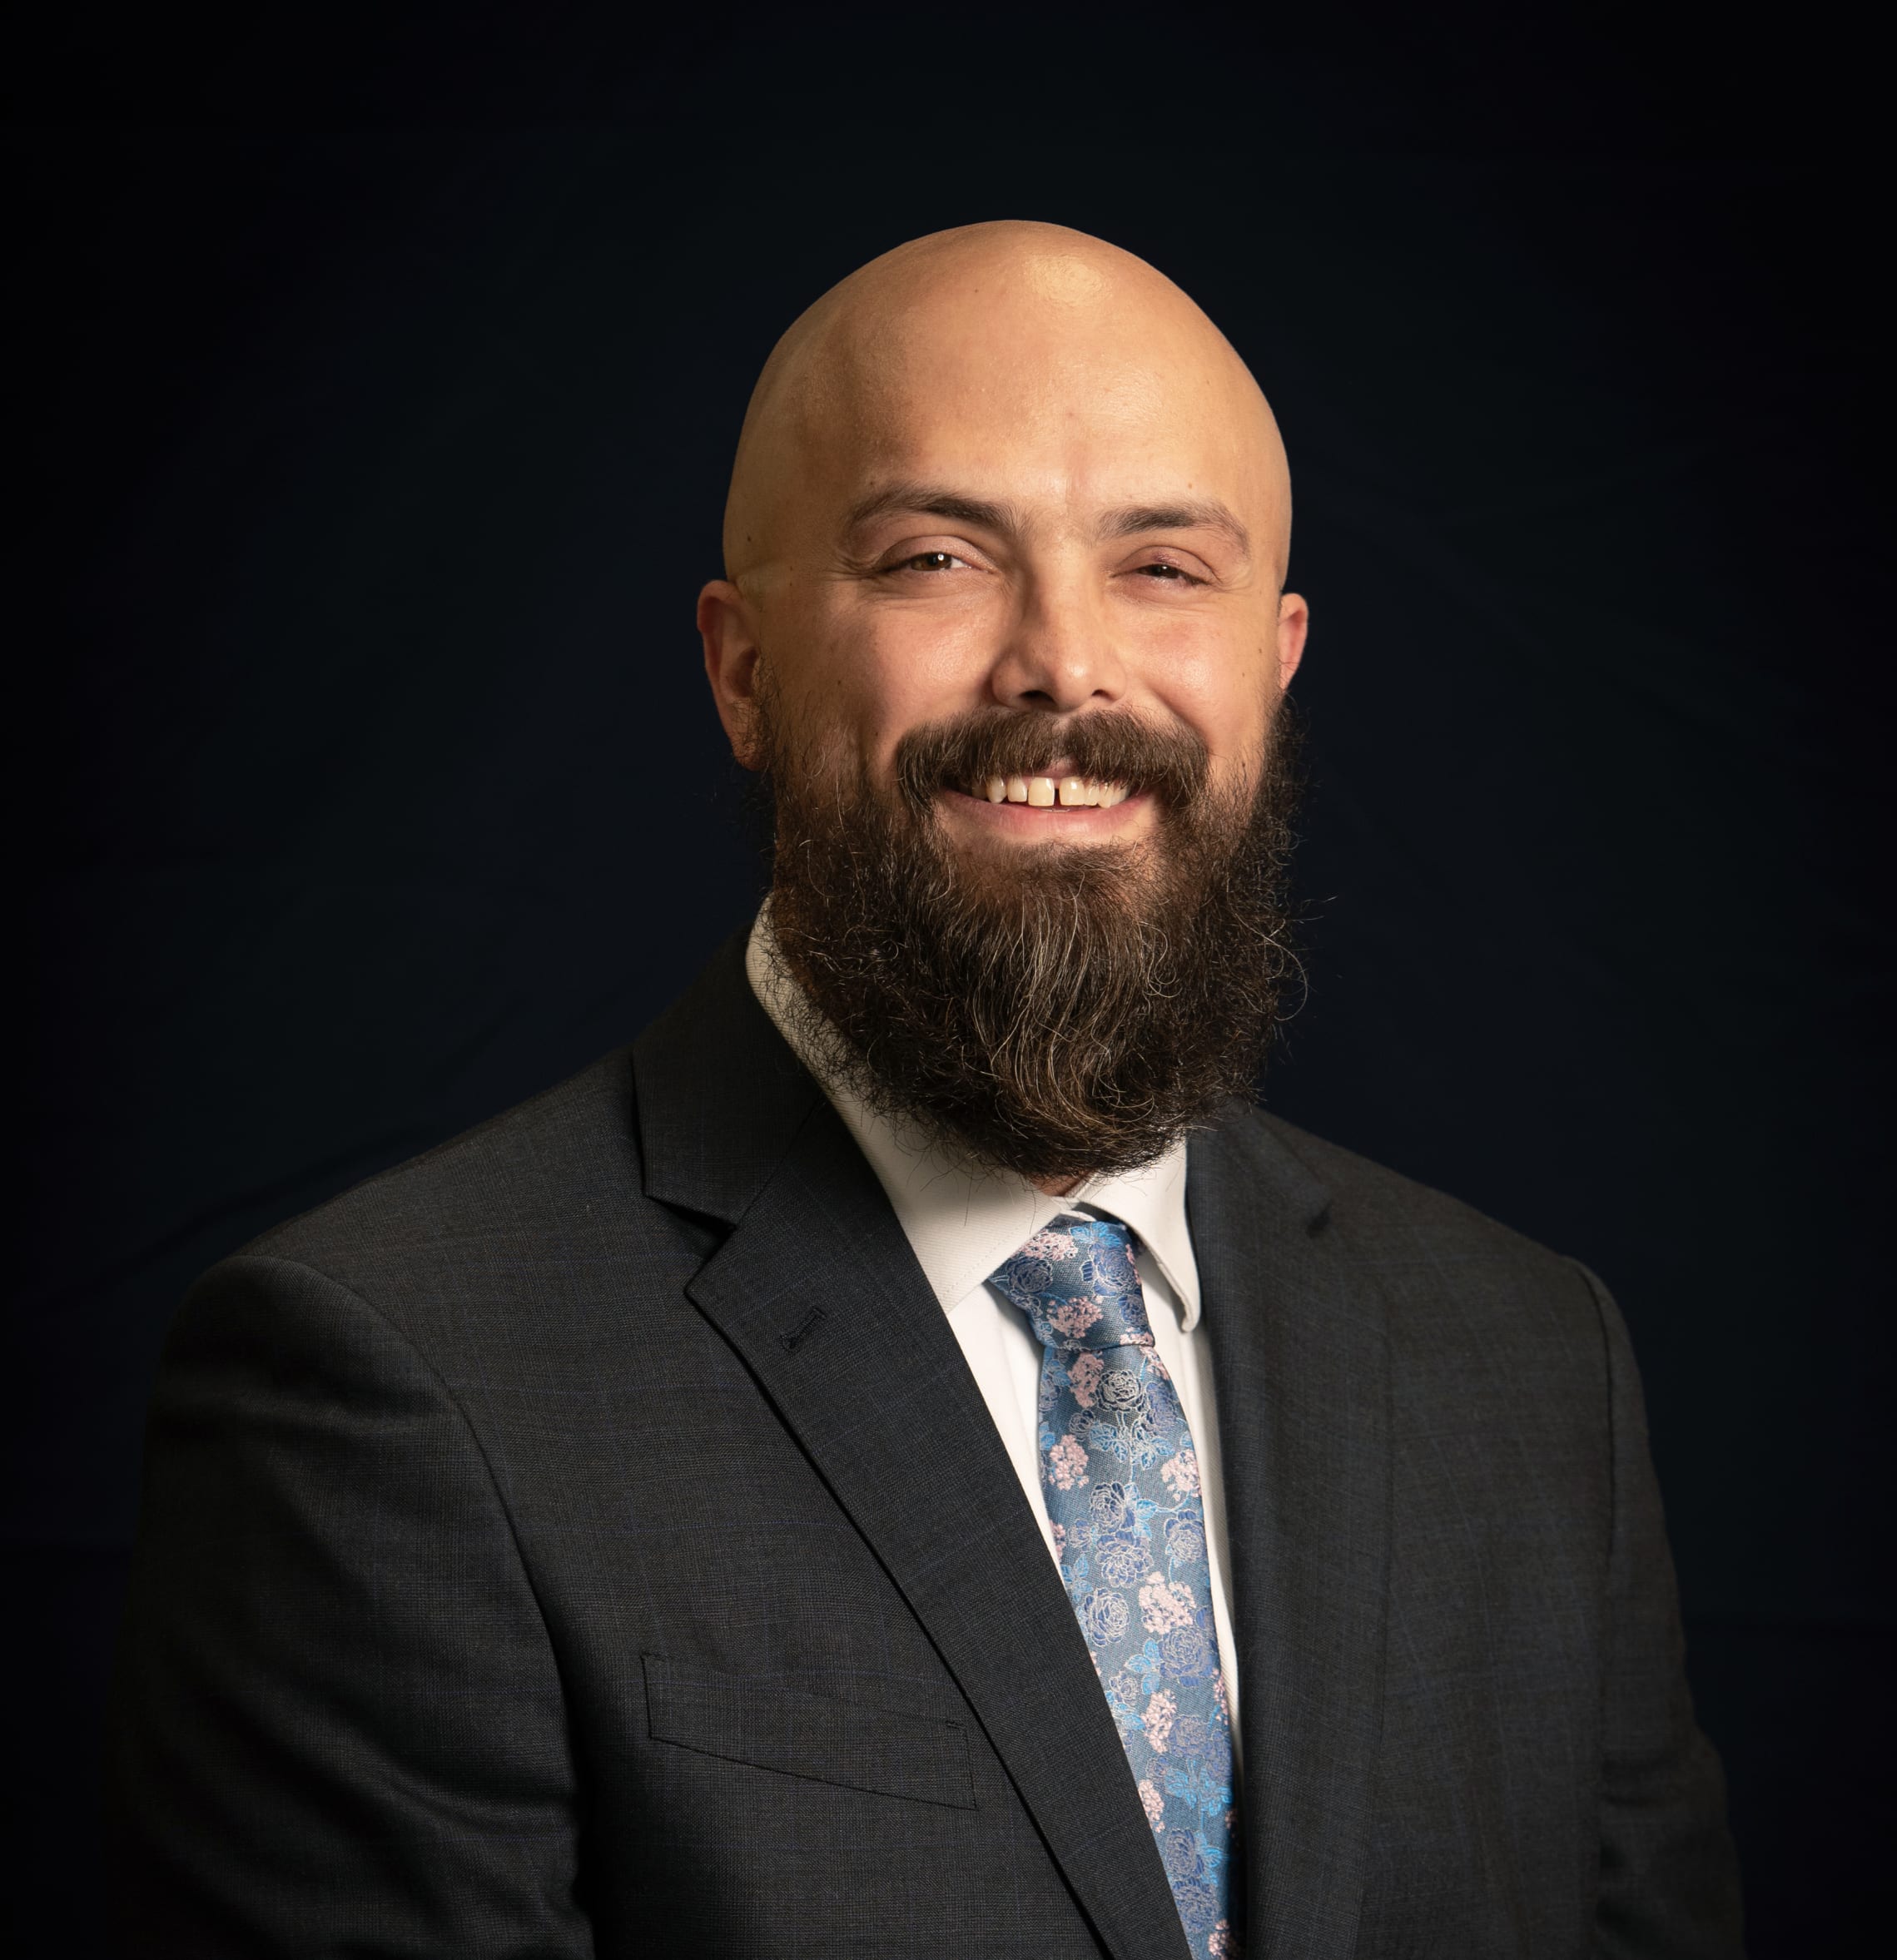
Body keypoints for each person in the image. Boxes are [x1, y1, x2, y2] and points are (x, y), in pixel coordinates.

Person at [106, 221, 1743, 1958]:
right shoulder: (392, 1388)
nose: (1064, 666)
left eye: (1163, 567)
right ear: (745, 669)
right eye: (937, 557)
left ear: (1275, 663)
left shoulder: (1534, 1365)